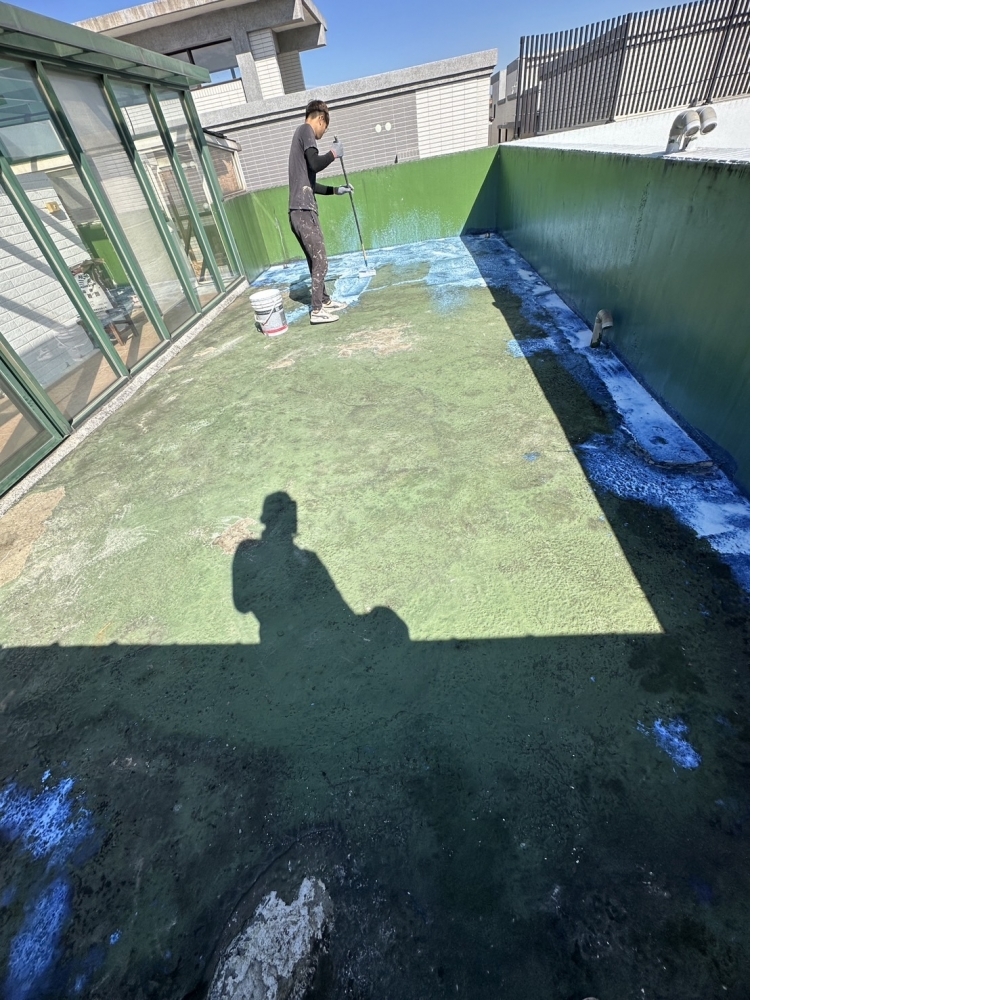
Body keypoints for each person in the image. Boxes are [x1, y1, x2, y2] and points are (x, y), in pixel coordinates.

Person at [287, 100, 354, 325]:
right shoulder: (306, 130)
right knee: (321, 260)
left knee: (315, 260)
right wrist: (334, 153)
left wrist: (336, 190)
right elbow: (316, 163)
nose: (323, 133)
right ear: (321, 119)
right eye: (324, 128)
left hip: (300, 210)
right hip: (303, 210)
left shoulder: (300, 139)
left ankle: (324, 301)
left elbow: (312, 184)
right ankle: (317, 310)